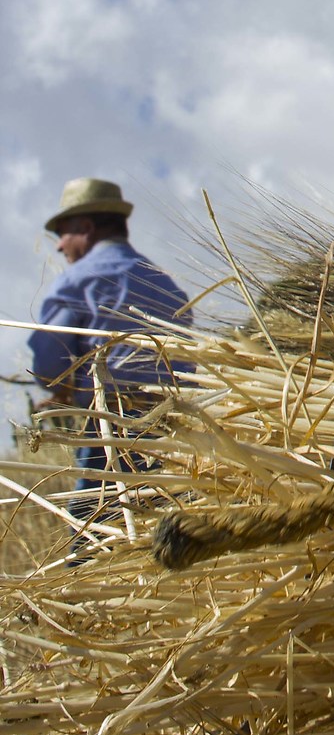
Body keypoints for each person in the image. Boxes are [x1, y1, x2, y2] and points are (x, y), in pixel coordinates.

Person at [29, 179, 191, 525]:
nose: (59, 246)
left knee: (92, 543)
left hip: (114, 436)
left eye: (62, 233)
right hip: (182, 437)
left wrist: (64, 387)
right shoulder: (168, 286)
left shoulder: (75, 283)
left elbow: (46, 366)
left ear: (85, 227)